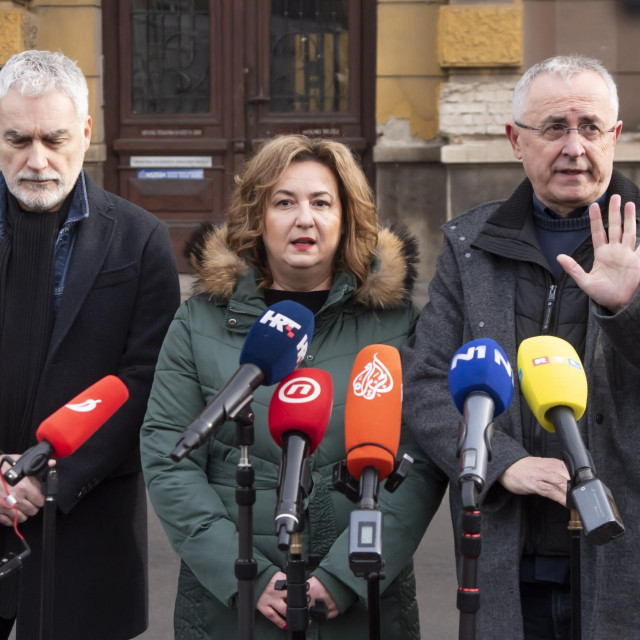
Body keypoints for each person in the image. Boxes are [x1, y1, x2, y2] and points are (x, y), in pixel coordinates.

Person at [140, 134, 446, 639]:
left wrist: (345, 577)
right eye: (284, 202)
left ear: (347, 217)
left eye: (322, 202)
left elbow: (422, 461)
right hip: (231, 606)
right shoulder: (199, 322)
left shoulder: (396, 324)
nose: (304, 218)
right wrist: (247, 578)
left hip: (364, 601)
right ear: (257, 218)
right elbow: (168, 457)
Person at [402, 54, 640, 640]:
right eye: (554, 127)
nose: (574, 147)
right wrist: (503, 463)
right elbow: (427, 384)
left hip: (625, 560)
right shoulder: (470, 246)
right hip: (510, 558)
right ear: (515, 139)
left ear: (615, 136)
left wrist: (623, 310)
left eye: (590, 128)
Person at [0, 50, 180, 639]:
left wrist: (51, 478)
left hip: (87, 525)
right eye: (16, 139)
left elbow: (144, 380)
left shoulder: (141, 238)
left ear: (85, 131)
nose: (36, 161)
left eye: (54, 139)